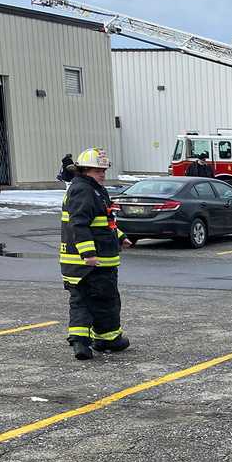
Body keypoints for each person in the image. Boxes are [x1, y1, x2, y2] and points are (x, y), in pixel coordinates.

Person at [60, 148, 132, 361]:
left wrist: (120, 237)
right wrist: (88, 254)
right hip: (91, 263)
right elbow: (79, 224)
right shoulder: (84, 190)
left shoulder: (94, 189)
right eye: (96, 171)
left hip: (92, 262)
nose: (102, 174)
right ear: (83, 170)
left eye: (102, 170)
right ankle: (94, 341)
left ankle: (94, 340)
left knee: (94, 300)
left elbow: (104, 222)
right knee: (94, 301)